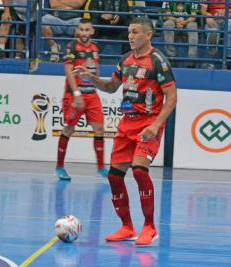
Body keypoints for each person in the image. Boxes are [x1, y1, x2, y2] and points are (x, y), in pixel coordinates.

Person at [73, 16, 177, 246]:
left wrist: (156, 124)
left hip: (148, 124)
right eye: (129, 32)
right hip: (126, 124)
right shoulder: (125, 60)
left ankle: (149, 227)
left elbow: (172, 97)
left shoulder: (158, 62)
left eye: (136, 32)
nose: (131, 36)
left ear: (148, 35)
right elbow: (111, 87)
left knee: (140, 171)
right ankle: (127, 227)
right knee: (114, 176)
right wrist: (92, 79)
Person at [55, 19, 108, 180]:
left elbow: (96, 70)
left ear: (92, 31)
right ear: (77, 31)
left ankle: (101, 168)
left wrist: (98, 83)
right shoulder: (71, 48)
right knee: (68, 130)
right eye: (82, 30)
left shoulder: (95, 48)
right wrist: (77, 94)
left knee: (99, 129)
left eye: (87, 30)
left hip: (92, 94)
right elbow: (69, 72)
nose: (84, 33)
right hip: (74, 95)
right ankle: (59, 167)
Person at [200, 0, 231, 68]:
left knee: (229, 26)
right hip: (213, 18)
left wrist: (228, 14)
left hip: (229, 18)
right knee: (212, 30)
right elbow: (203, 10)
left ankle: (228, 58)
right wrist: (208, 15)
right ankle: (210, 58)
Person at [162, 1, 199, 67]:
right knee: (168, 24)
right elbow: (167, 15)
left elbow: (194, 16)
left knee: (193, 26)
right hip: (173, 22)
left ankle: (192, 59)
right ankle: (171, 57)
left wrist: (184, 22)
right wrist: (177, 21)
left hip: (187, 22)